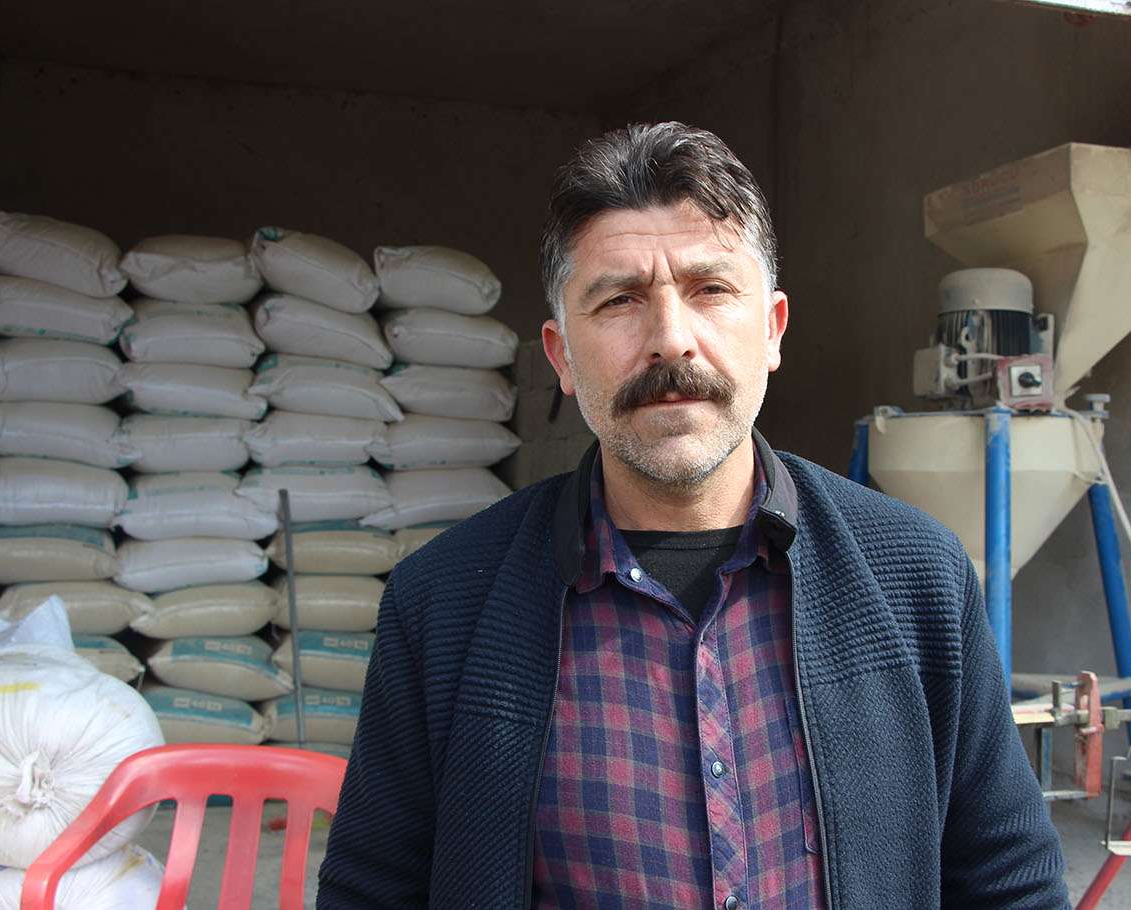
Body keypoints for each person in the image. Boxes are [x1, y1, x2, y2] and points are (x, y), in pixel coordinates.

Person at [318, 121, 1068, 909]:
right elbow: (371, 892)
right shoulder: (444, 605)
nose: (670, 340)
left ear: (772, 329)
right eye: (620, 300)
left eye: (710, 290)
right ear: (562, 356)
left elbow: (1010, 881)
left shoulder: (915, 577)